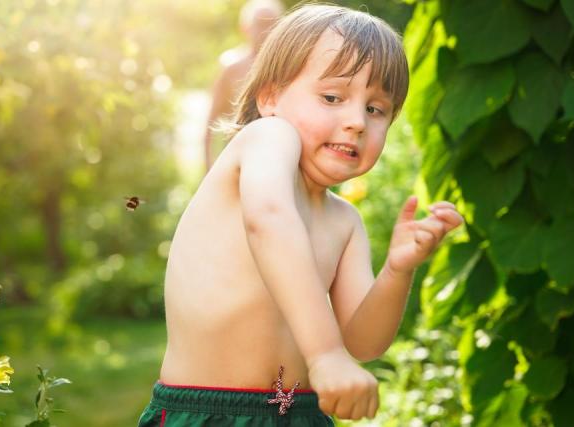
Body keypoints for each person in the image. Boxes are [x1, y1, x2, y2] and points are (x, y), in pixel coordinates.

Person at [138, 3, 464, 426]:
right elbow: (269, 220)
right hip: (208, 411)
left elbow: (363, 342)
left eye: (376, 109)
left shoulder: (345, 221)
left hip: (302, 415)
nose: (356, 122)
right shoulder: (266, 138)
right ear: (270, 97)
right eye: (332, 97)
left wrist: (397, 271)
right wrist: (325, 355)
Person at [203, 0, 284, 172]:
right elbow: (210, 122)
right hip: (237, 162)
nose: (267, 30)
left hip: (278, 160)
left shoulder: (288, 67)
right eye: (261, 24)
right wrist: (209, 170)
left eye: (273, 24)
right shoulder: (231, 67)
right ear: (245, 28)